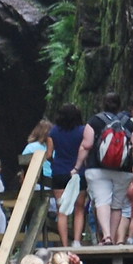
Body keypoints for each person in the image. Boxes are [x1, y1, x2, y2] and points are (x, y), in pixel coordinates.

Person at [83, 93, 133, 246]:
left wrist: (78, 166)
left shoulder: (95, 120)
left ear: (103, 104)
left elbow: (86, 145)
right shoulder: (128, 123)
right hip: (123, 170)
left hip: (97, 168)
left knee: (102, 201)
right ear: (120, 106)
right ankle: (111, 238)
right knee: (117, 205)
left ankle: (106, 236)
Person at [48, 105, 87, 247]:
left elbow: (48, 154)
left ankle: (64, 245)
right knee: (79, 208)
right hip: (78, 172)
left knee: (62, 211)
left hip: (59, 173)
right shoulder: (82, 131)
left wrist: (56, 162)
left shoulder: (53, 132)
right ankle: (76, 241)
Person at [20, 120, 55, 195]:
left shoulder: (30, 147)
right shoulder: (54, 149)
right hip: (52, 185)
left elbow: (24, 167)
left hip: (34, 184)